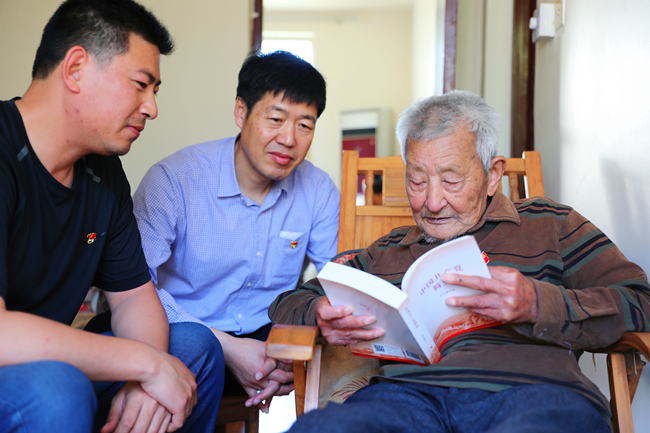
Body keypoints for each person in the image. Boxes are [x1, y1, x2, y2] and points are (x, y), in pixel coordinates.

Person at [269, 90, 650, 433]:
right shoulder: (390, 249)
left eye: (451, 181)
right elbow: (289, 301)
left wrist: (538, 303)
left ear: (492, 175)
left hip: (532, 395)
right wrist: (320, 311)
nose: (432, 203)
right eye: (417, 181)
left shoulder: (550, 223)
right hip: (405, 400)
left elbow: (641, 302)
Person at [0, 1, 224, 432]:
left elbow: (134, 298)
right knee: (57, 389)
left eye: (155, 91)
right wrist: (147, 364)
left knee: (194, 347)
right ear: (76, 69)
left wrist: (145, 379)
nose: (151, 107)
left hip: (50, 366)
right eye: (140, 85)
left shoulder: (103, 173)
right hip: (28, 374)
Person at [133, 50, 340, 411]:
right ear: (241, 112)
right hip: (184, 333)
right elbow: (135, 287)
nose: (289, 139)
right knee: (197, 347)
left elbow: (334, 281)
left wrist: (289, 347)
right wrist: (229, 349)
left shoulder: (318, 189)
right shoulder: (175, 180)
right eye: (275, 119)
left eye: (304, 126)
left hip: (265, 339)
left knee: (331, 346)